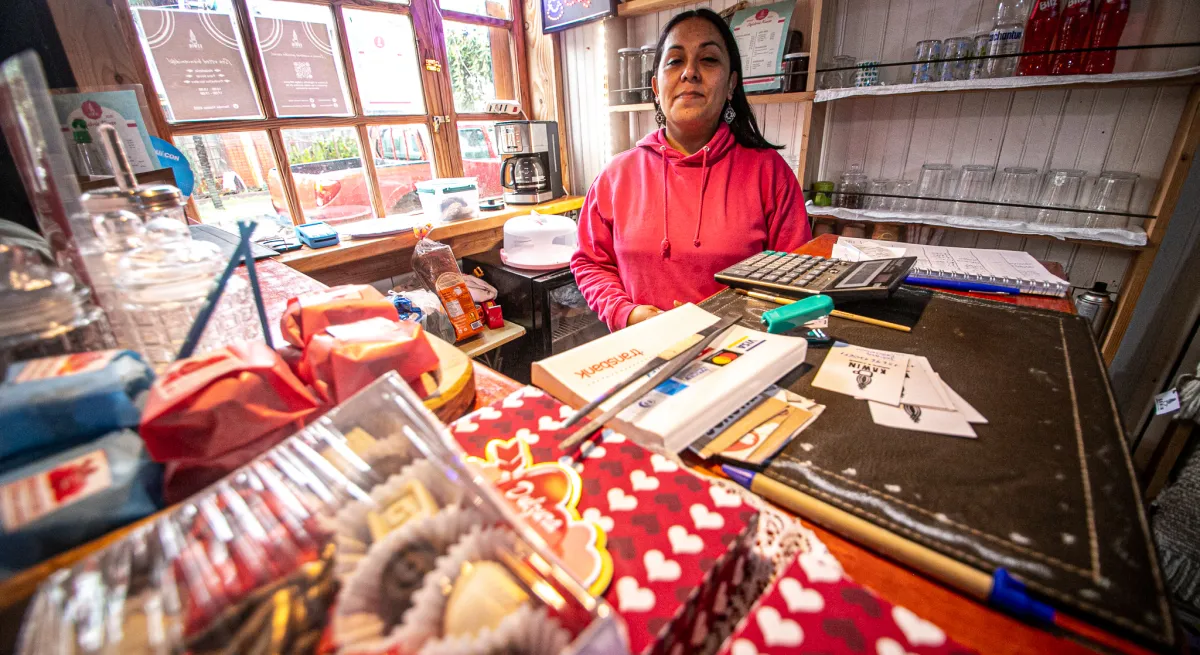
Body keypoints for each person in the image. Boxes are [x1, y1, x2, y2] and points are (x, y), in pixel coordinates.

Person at [571, 8, 812, 331]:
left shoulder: (770, 173)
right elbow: (590, 261)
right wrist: (625, 313)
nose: (690, 72)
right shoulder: (617, 175)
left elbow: (797, 281)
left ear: (731, 85)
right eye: (675, 61)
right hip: (641, 353)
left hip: (741, 359)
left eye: (709, 59)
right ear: (656, 88)